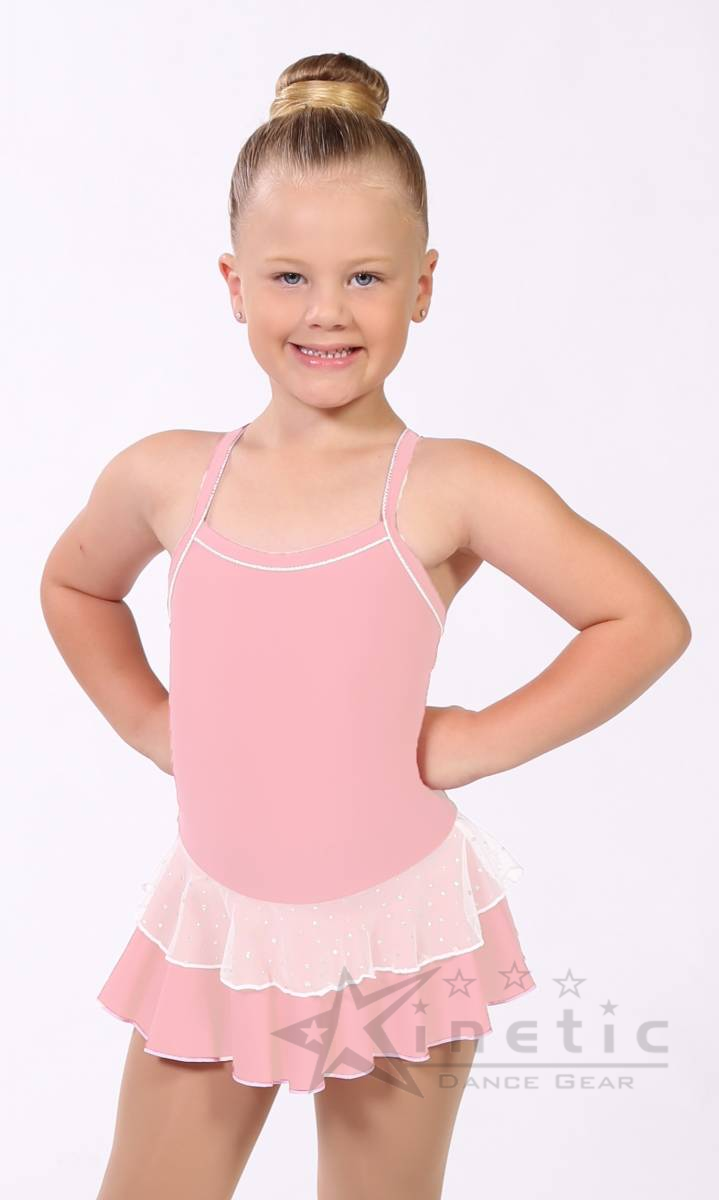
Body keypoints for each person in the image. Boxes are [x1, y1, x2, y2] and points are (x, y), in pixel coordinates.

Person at [39, 50, 691, 1200]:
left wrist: (469, 739)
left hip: (397, 929)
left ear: (422, 284)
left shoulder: (446, 485)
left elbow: (639, 618)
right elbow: (75, 586)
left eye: (365, 277)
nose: (326, 312)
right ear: (233, 282)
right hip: (219, 924)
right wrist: (147, 721)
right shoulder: (168, 476)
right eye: (289, 275)